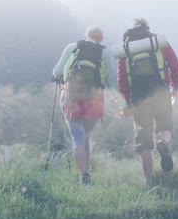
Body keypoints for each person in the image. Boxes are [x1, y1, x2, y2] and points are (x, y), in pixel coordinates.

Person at [53, 26, 131, 184]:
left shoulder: (72, 47)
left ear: (86, 36)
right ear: (100, 38)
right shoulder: (104, 52)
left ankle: (83, 175)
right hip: (94, 99)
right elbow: (110, 83)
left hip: (71, 97)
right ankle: (85, 171)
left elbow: (56, 72)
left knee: (77, 137)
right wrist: (123, 105)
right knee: (86, 137)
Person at [117, 18, 178, 185]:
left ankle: (148, 181)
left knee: (143, 139)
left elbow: (121, 79)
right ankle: (163, 142)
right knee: (165, 127)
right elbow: (174, 65)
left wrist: (126, 102)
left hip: (139, 96)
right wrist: (175, 87)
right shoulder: (158, 41)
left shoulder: (127, 49)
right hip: (160, 91)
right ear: (147, 28)